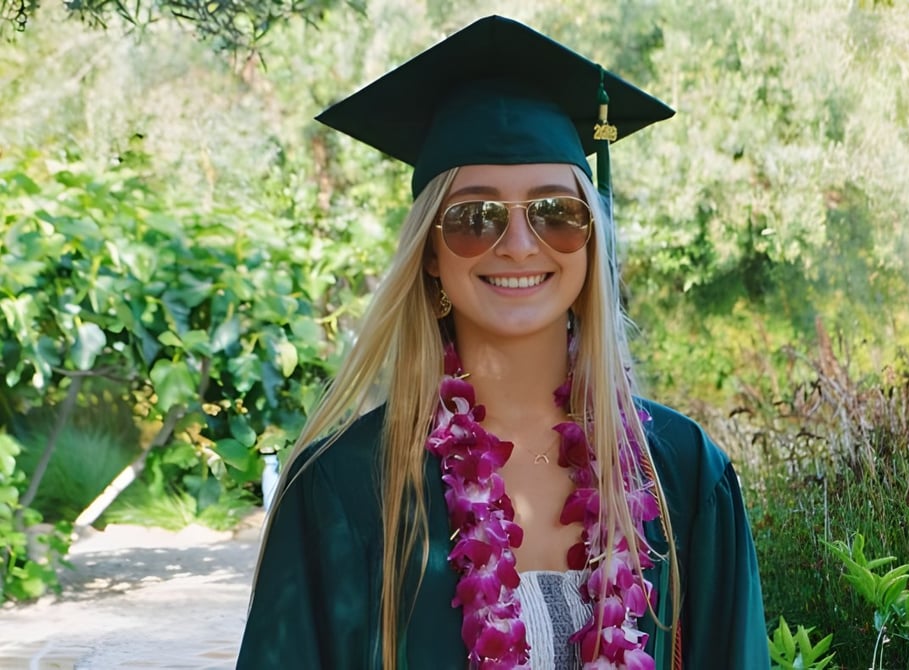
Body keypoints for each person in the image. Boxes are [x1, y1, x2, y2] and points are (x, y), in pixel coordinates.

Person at [237, 15, 769, 670]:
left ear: (590, 237)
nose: (519, 244)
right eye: (474, 217)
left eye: (555, 212)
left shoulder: (682, 474)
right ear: (430, 251)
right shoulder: (344, 490)